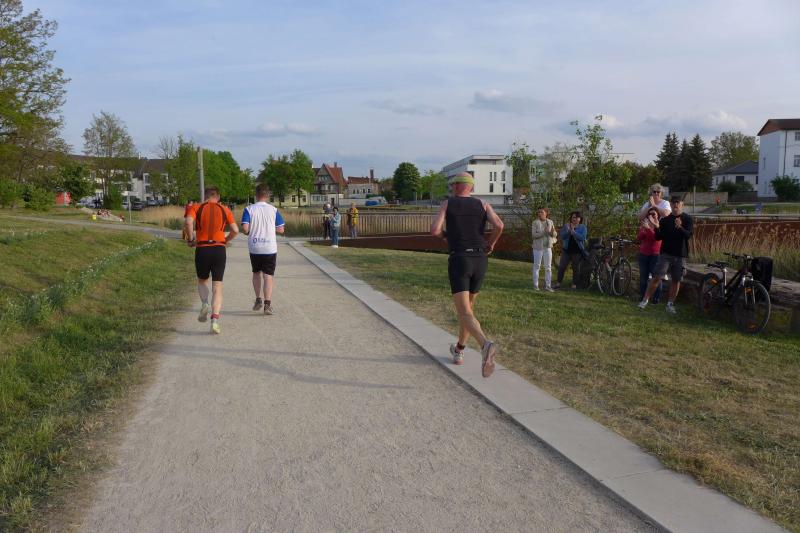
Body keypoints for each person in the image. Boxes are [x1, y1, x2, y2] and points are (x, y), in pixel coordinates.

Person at [430, 171, 504, 377]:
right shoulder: (483, 204)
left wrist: (446, 237)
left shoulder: (448, 203)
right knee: (468, 310)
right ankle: (459, 350)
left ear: (456, 186)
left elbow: (434, 230)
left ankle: (485, 344)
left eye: (453, 184)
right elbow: (499, 225)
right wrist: (491, 243)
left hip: (460, 259)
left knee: (464, 312)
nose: (452, 188)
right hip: (480, 259)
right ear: (471, 187)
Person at [184, 187, 238, 334]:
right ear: (218, 197)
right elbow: (235, 230)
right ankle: (214, 320)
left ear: (205, 196)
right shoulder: (225, 209)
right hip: (219, 250)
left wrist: (191, 239)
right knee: (217, 286)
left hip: (202, 249)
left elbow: (188, 222)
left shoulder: (196, 207)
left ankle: (205, 304)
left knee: (202, 281)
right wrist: (226, 240)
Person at [639, 196, 693, 314]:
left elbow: (688, 235)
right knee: (656, 277)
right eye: (673, 202)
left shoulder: (687, 219)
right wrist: (657, 227)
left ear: (682, 204)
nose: (675, 204)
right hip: (665, 254)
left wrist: (680, 227)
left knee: (676, 280)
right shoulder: (665, 220)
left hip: (680, 255)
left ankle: (670, 304)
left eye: (677, 202)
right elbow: (658, 237)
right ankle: (645, 300)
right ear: (671, 205)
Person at [241, 184, 285, 315]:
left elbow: (245, 229)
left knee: (256, 273)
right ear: (268, 195)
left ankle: (258, 299)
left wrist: (251, 231)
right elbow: (281, 229)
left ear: (256, 195)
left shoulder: (249, 209)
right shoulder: (274, 210)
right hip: (269, 247)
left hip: (255, 247)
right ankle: (267, 304)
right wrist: (270, 228)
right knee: (268, 276)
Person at [555, 211, 587, 290]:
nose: (574, 219)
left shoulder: (583, 227)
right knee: (562, 267)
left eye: (576, 217)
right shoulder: (567, 226)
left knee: (576, 268)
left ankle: (574, 284)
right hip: (566, 250)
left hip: (577, 251)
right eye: (573, 217)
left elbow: (582, 238)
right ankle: (558, 283)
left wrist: (574, 232)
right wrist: (569, 232)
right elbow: (562, 236)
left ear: (580, 219)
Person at [637, 207, 662, 304]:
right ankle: (643, 296)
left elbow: (656, 239)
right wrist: (644, 229)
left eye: (653, 214)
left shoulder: (659, 226)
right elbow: (639, 237)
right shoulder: (645, 225)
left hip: (655, 254)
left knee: (656, 277)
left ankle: (656, 298)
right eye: (649, 214)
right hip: (644, 254)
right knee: (643, 277)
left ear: (658, 215)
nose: (651, 216)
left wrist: (649, 229)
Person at [531, 206, 557, 291]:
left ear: (546, 213)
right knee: (537, 266)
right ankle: (535, 285)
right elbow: (533, 235)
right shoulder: (535, 222)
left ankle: (548, 286)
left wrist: (552, 232)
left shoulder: (550, 222)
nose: (539, 213)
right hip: (538, 248)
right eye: (538, 212)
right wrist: (543, 232)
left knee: (548, 267)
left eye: (542, 212)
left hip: (548, 247)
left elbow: (555, 234)